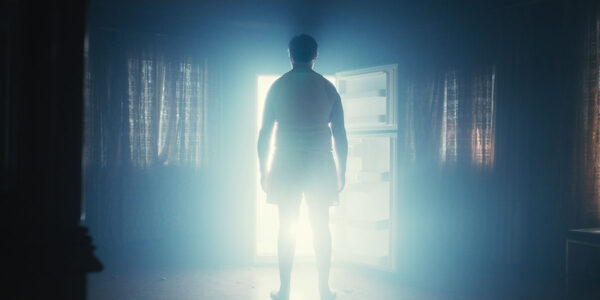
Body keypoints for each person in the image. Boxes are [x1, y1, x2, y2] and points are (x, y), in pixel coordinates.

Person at [257, 34, 348, 300]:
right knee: (321, 225)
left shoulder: (277, 87)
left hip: (286, 162)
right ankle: (323, 289)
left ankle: (284, 289)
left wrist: (264, 170)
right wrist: (342, 169)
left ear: (289, 55)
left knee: (286, 225)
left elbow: (264, 134)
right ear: (315, 56)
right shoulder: (327, 88)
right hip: (320, 163)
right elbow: (340, 135)